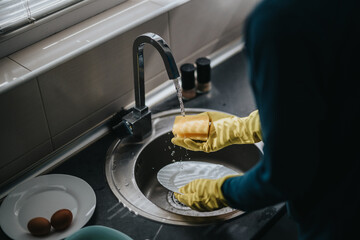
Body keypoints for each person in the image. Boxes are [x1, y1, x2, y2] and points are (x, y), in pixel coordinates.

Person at [171, 0, 360, 239]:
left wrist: (222, 191)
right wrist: (241, 128)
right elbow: (335, 100)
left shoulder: (279, 21)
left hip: (341, 217)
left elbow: (286, 175)